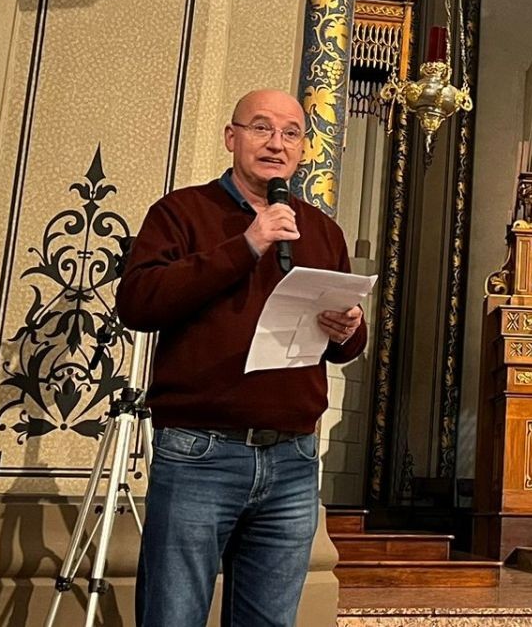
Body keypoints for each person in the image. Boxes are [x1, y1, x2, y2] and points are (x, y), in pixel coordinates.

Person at [117, 89, 367, 627]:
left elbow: (345, 345)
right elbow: (138, 304)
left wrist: (348, 328)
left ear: (303, 149)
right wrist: (246, 245)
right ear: (232, 138)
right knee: (173, 615)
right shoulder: (181, 212)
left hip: (294, 460)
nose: (276, 144)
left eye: (291, 133)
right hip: (200, 451)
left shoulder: (322, 230)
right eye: (261, 128)